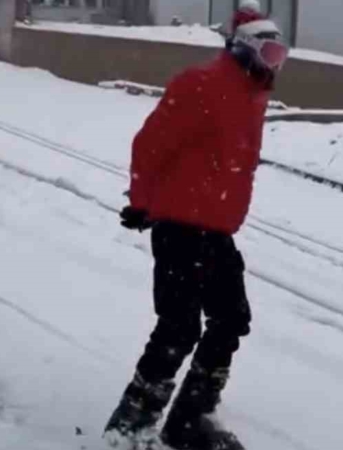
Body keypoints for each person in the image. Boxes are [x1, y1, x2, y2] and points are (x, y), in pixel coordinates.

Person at [103, 2, 289, 449]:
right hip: (179, 226)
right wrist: (143, 203)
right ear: (245, 49)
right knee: (180, 325)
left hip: (217, 230)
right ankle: (128, 427)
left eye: (281, 55)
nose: (275, 64)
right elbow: (151, 144)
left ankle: (189, 420)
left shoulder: (250, 97)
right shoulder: (201, 85)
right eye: (269, 53)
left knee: (230, 319)